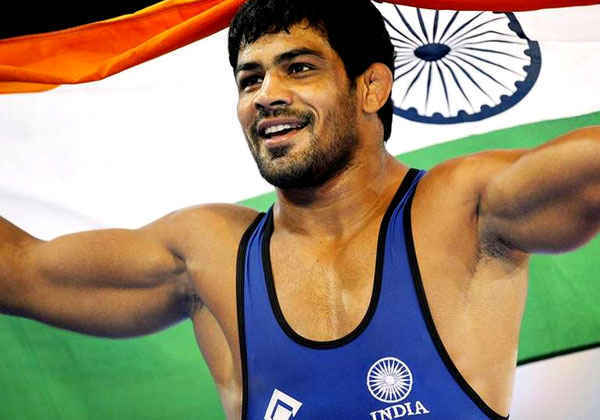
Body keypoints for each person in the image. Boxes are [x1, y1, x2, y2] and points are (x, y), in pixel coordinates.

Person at [1, 0, 599, 418]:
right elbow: (18, 270)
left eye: (299, 67)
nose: (267, 95)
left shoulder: (462, 209)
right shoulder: (210, 255)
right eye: (249, 79)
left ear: (371, 87)